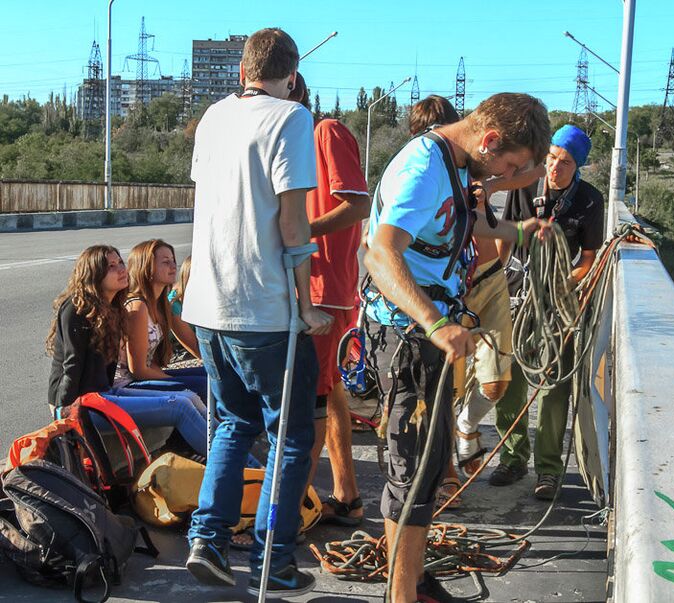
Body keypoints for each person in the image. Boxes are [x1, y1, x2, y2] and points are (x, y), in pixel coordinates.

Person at [363, 93, 551, 603]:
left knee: (427, 470)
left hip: (425, 337)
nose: (507, 177)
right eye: (510, 165)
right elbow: (380, 253)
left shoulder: (458, 164)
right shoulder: (425, 165)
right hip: (406, 336)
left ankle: (416, 580)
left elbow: (465, 223)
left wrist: (520, 229)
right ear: (489, 140)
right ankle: (401, 596)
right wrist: (436, 321)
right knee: (412, 474)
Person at [182, 28, 332, 599]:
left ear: (242, 69)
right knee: (290, 437)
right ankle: (274, 560)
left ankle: (208, 540)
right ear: (291, 77)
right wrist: (306, 302)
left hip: (209, 305)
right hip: (263, 305)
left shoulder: (212, 118)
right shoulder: (291, 118)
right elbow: (292, 221)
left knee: (232, 424)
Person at [491, 124, 605, 500]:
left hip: (559, 301)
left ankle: (549, 470)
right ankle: (512, 458)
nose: (555, 167)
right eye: (552, 157)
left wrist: (562, 283)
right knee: (509, 378)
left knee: (554, 386)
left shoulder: (589, 201)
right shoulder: (525, 186)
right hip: (518, 296)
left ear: (579, 166)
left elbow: (589, 259)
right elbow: (505, 236)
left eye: (565, 162)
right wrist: (494, 280)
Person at [289, 73, 371, 527]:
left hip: (325, 291)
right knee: (331, 388)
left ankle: (296, 508)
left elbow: (357, 204)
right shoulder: (298, 150)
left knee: (313, 397)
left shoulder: (326, 131)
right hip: (321, 288)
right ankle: (347, 495)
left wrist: (304, 234)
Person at [46, 245, 218, 459]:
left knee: (189, 398)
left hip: (105, 395)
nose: (121, 269)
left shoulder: (113, 308)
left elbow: (107, 375)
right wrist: (62, 412)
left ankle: (237, 457)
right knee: (180, 406)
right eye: (111, 266)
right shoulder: (76, 308)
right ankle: (231, 463)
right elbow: (71, 365)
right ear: (94, 273)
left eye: (120, 263)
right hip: (83, 405)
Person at [114, 239, 206, 399]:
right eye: (165, 262)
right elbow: (138, 370)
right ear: (147, 267)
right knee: (204, 386)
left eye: (173, 260)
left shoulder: (160, 304)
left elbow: (153, 361)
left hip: (145, 375)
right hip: (126, 383)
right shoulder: (137, 306)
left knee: (211, 375)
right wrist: (174, 381)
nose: (173, 266)